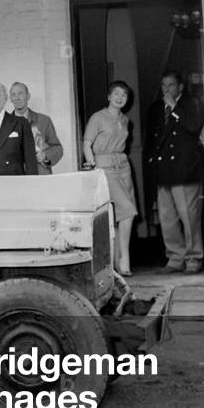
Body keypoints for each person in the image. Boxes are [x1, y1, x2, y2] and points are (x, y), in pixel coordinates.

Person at [145, 70, 204, 274]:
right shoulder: (155, 108)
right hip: (163, 171)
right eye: (164, 86)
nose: (167, 89)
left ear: (180, 87)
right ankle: (175, 257)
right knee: (167, 218)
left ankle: (194, 258)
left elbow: (194, 126)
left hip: (185, 169)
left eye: (171, 85)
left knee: (189, 217)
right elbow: (151, 141)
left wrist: (174, 108)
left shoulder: (191, 104)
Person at [82, 80, 138, 276]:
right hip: (104, 167)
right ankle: (124, 261)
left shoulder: (125, 120)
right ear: (109, 96)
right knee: (128, 211)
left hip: (123, 165)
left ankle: (117, 261)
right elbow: (86, 144)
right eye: (116, 94)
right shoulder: (97, 117)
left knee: (121, 213)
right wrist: (94, 167)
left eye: (124, 95)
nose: (120, 98)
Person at [9, 82, 63, 174]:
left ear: (28, 96)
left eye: (20, 93)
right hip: (14, 177)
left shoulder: (44, 120)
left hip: (40, 175)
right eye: (13, 94)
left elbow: (57, 148)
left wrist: (45, 156)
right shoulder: (4, 124)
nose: (17, 97)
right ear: (10, 99)